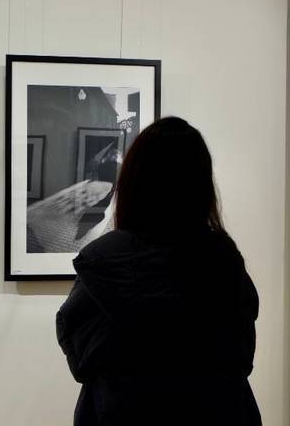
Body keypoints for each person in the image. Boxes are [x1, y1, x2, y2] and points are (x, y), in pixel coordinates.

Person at [56, 117, 261, 426]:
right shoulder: (223, 260)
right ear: (201, 187)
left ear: (133, 183)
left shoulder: (103, 261)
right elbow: (241, 356)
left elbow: (78, 354)